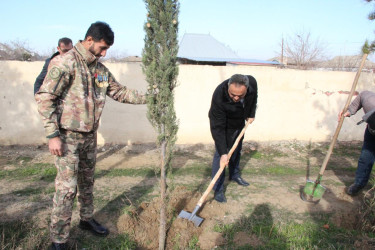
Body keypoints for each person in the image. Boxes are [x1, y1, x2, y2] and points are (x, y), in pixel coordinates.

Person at [35, 21, 146, 250]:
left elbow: (119, 91)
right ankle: (59, 239)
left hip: (89, 137)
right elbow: (45, 98)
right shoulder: (65, 62)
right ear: (89, 41)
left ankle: (86, 219)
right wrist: (52, 135)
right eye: (102, 48)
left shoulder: (99, 69)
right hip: (67, 137)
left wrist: (152, 96)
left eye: (107, 50)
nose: (104, 53)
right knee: (66, 189)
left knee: (87, 183)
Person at [208, 74, 258, 203]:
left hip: (240, 122)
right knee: (221, 155)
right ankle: (217, 188)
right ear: (228, 88)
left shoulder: (251, 82)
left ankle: (234, 174)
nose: (236, 98)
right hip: (225, 126)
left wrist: (251, 114)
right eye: (232, 95)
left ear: (246, 89)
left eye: (240, 96)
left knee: (237, 150)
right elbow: (217, 128)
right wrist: (224, 153)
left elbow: (254, 98)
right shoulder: (219, 96)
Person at [339, 90, 375, 196]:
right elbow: (361, 96)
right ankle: (359, 183)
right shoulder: (369, 100)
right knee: (365, 159)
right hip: (370, 133)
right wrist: (349, 111)